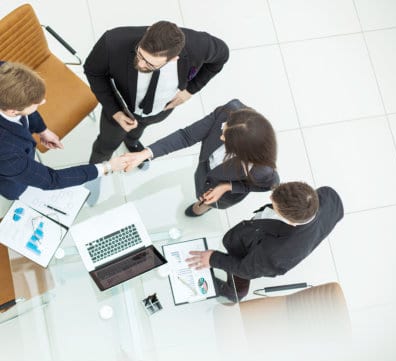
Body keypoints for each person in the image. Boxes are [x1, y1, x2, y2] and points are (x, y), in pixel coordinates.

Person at [84, 20, 229, 165]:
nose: (140, 64)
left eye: (150, 64)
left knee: (138, 131)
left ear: (173, 59)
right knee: (106, 145)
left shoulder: (199, 45)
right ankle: (96, 169)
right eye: (139, 54)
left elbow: (222, 55)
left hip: (159, 110)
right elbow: (93, 71)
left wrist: (191, 90)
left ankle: (132, 142)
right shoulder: (113, 41)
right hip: (121, 108)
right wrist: (115, 111)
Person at [186, 182, 344, 301]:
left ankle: (234, 293)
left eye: (275, 205)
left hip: (251, 254)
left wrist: (213, 258)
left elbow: (245, 269)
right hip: (259, 234)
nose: (270, 198)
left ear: (291, 222)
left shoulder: (277, 254)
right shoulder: (328, 196)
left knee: (239, 281)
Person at [123, 99, 279, 216]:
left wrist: (227, 187)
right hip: (204, 171)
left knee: (211, 203)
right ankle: (202, 200)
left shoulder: (263, 170)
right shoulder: (230, 111)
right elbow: (186, 136)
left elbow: (267, 185)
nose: (221, 137)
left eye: (227, 139)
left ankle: (205, 207)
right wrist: (145, 154)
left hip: (224, 194)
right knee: (200, 187)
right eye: (223, 129)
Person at [0, 62, 126, 201]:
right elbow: (52, 180)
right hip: (11, 181)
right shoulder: (6, 153)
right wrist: (107, 167)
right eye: (36, 104)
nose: (43, 101)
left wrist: (42, 130)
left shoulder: (4, 73)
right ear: (12, 111)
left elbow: (25, 109)